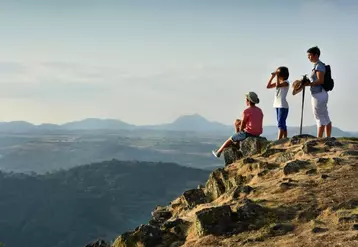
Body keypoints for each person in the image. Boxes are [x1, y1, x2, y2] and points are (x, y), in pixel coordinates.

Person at [212, 92, 264, 158]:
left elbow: (243, 125)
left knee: (230, 139)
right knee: (238, 124)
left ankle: (218, 152)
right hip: (258, 133)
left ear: (248, 100)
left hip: (249, 133)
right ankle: (237, 141)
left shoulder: (246, 111)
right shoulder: (259, 110)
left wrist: (238, 129)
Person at [305, 46, 332, 138]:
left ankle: (319, 139)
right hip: (321, 93)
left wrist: (309, 84)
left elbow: (320, 80)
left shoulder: (318, 65)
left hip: (318, 93)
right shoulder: (318, 65)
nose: (308, 57)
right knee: (325, 116)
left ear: (316, 55)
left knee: (319, 117)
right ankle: (328, 138)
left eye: (310, 55)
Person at [266, 66, 290, 140]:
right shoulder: (278, 82)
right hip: (277, 105)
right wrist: (272, 77)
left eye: (278, 74)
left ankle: (279, 140)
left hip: (283, 105)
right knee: (282, 123)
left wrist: (276, 75)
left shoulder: (286, 82)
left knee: (280, 123)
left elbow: (278, 86)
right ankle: (285, 139)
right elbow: (268, 86)